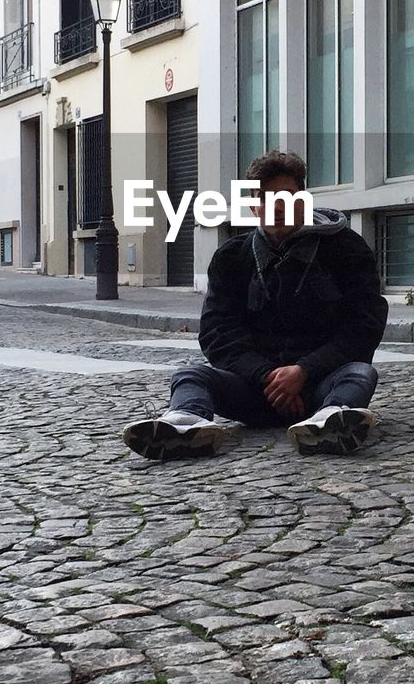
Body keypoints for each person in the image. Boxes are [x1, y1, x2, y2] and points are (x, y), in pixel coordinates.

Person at [123, 149, 389, 461]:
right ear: (253, 206)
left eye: (286, 196)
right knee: (190, 375)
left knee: (359, 372)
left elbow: (364, 325)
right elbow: (217, 333)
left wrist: (304, 370)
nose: (276, 206)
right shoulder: (231, 257)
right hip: (256, 389)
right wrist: (267, 375)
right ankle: (183, 425)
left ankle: (330, 422)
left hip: (320, 385)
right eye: (264, 197)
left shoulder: (347, 249)